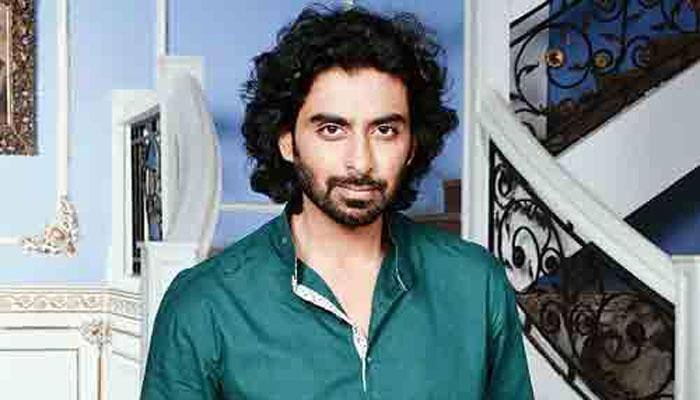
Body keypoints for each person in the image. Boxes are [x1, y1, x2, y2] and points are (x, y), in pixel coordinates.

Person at [141, 5, 533, 399]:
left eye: (385, 130)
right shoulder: (204, 304)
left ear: (412, 144)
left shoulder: (474, 283)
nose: (360, 161)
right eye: (332, 129)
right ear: (286, 140)